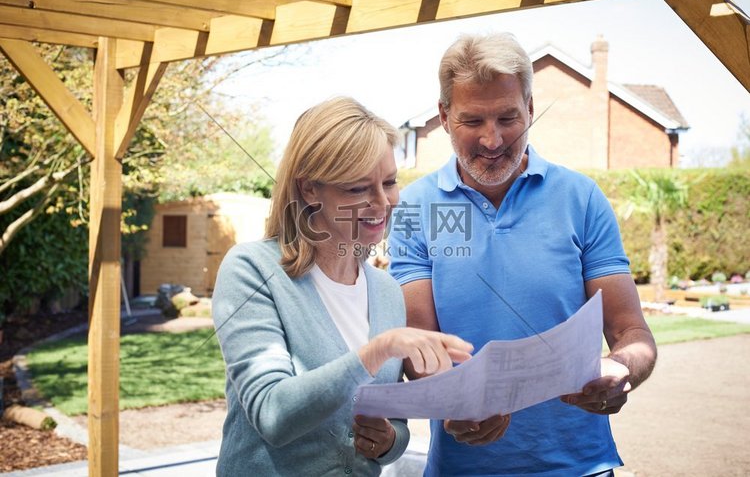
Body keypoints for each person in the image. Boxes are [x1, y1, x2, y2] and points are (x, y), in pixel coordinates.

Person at [387, 33, 658, 476]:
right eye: (472, 121)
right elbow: (420, 347)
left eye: (508, 118)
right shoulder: (416, 209)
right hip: (462, 468)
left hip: (581, 468)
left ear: (530, 109)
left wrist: (621, 368)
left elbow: (632, 332)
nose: (492, 140)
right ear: (444, 116)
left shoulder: (581, 198)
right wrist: (457, 400)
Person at [211, 96, 473, 476]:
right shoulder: (251, 269)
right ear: (310, 190)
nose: (383, 203)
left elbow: (392, 424)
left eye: (389, 182)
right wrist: (379, 350)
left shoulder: (385, 291)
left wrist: (387, 441)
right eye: (358, 189)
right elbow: (272, 413)